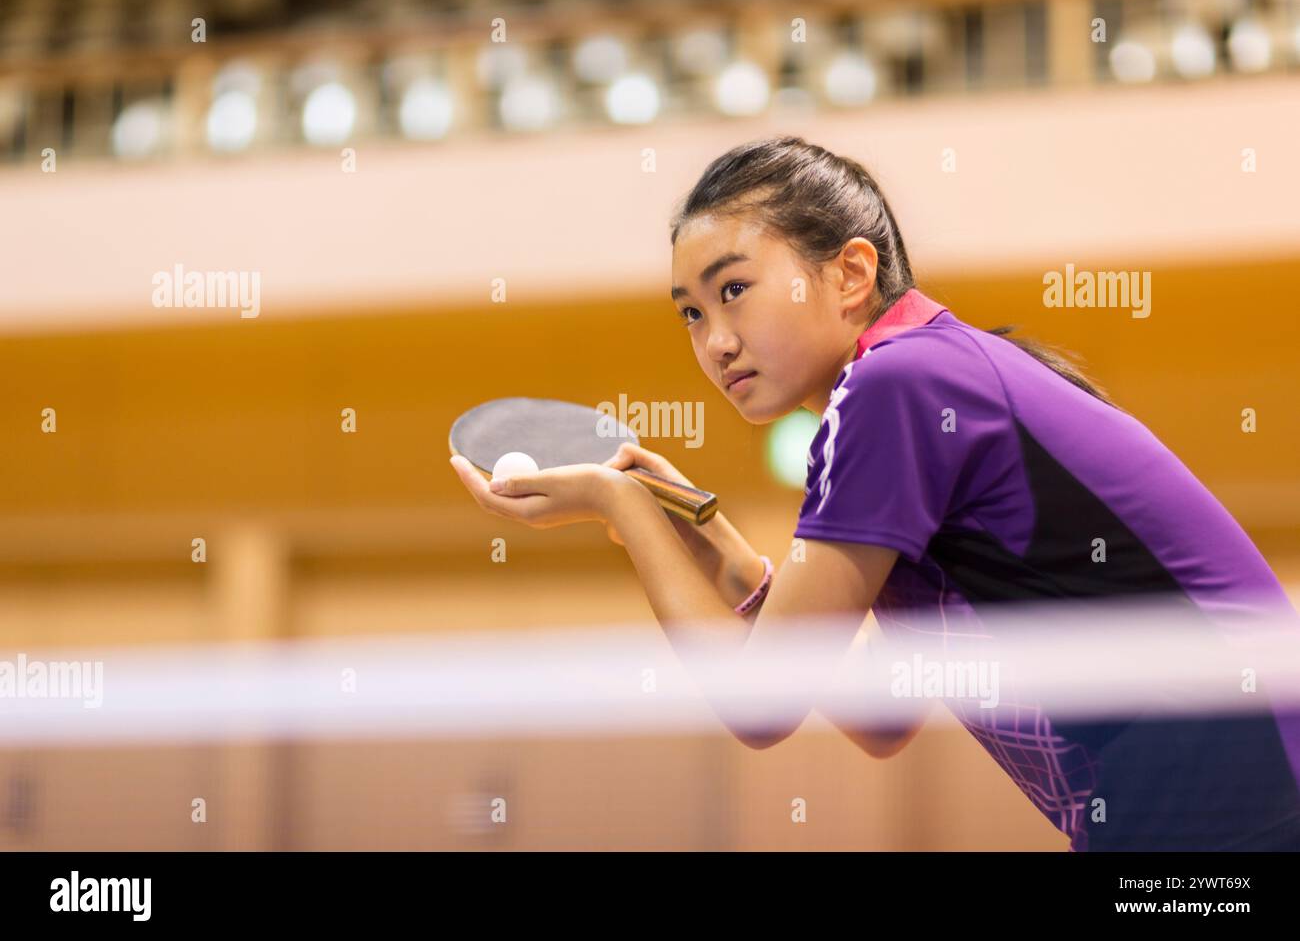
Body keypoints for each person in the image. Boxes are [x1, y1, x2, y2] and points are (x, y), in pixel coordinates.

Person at [450, 136, 1300, 850]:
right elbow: (880, 717)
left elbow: (760, 707)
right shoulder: (908, 392)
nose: (714, 342)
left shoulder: (902, 384)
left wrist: (622, 507)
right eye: (691, 314)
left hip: (1238, 794)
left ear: (852, 273)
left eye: (734, 290)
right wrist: (707, 539)